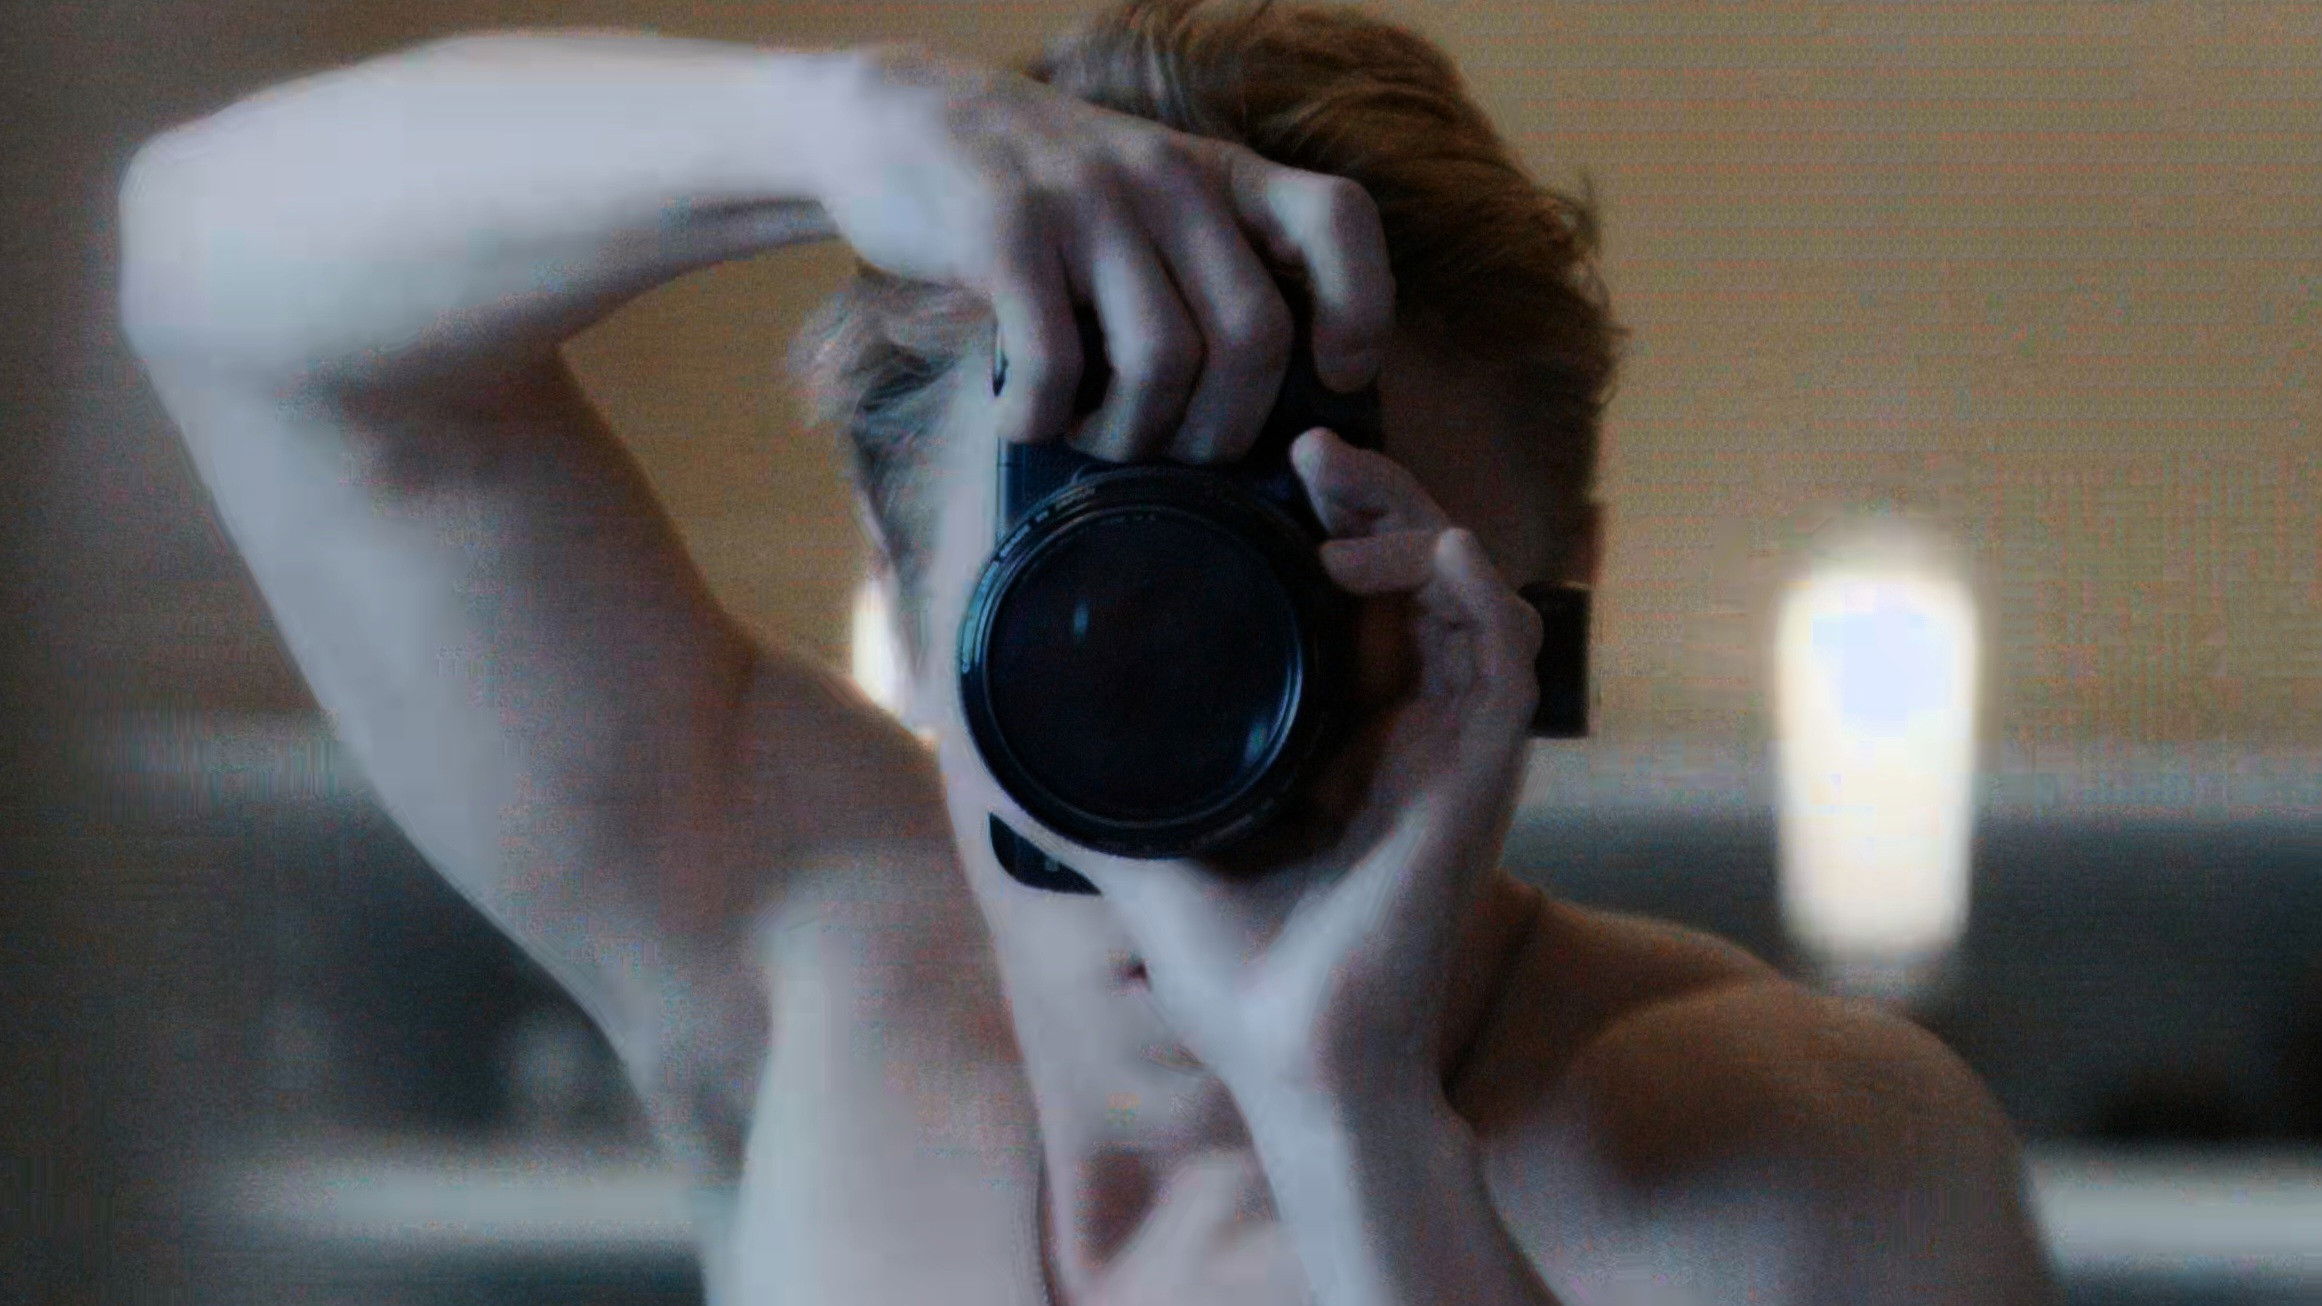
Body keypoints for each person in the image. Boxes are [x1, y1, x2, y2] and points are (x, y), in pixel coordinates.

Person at [119, 2, 2054, 1301]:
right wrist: (825, 127)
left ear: (1544, 611)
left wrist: (1349, 1120)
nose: (1213, 719)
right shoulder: (818, 961)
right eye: (1100, 598)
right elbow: (207, 278)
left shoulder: (1782, 1153)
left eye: (1334, 600)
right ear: (911, 599)